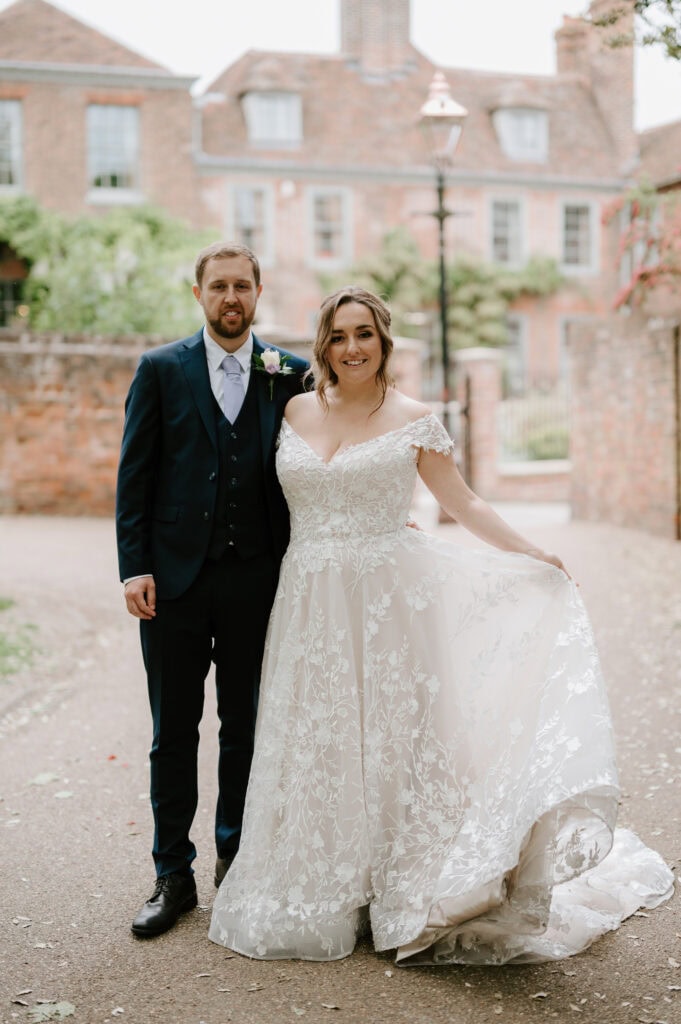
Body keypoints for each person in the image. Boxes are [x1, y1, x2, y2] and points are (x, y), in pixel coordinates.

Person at [209, 285, 673, 965]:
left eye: (363, 333)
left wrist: (533, 553)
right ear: (322, 345)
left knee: (399, 740)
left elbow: (463, 500)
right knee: (320, 738)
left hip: (390, 603)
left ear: (383, 339)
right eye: (338, 336)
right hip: (307, 601)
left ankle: (400, 882)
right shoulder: (294, 408)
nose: (351, 348)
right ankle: (327, 883)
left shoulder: (413, 417)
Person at [115, 242, 309, 938]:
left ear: (259, 293)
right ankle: (173, 875)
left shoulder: (289, 373)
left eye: (242, 287)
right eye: (218, 287)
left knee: (246, 727)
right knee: (172, 732)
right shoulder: (161, 369)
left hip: (259, 577)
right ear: (198, 293)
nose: (231, 299)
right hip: (171, 582)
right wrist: (133, 565)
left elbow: (319, 462)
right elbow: (134, 475)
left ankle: (238, 861)